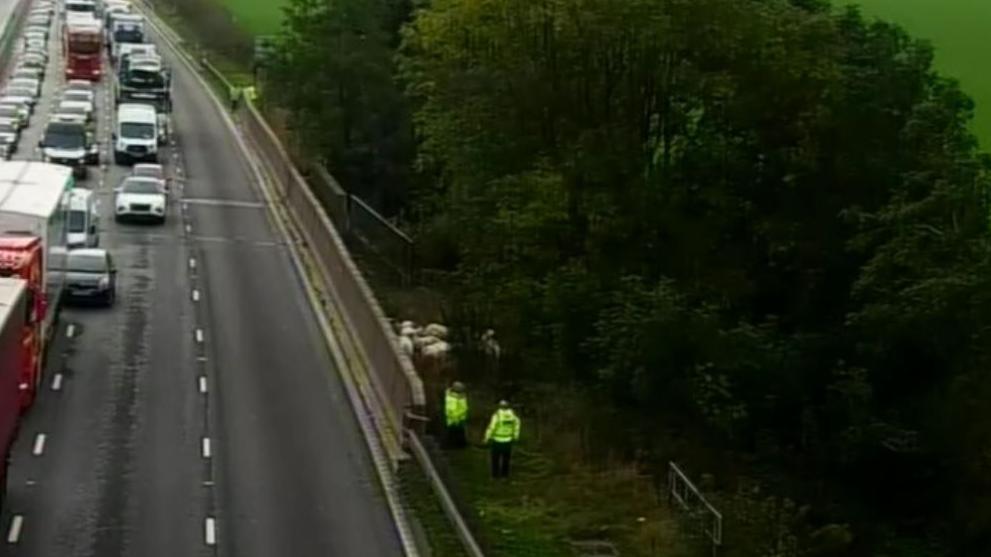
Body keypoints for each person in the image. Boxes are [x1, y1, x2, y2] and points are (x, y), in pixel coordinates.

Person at [484, 400, 521, 478]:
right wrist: (515, 437)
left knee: (495, 459)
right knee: (506, 459)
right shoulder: (513, 415)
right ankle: (505, 475)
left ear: (499, 406)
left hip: (497, 440)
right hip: (508, 441)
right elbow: (517, 426)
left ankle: (495, 475)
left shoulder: (497, 415)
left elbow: (492, 427)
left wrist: (487, 438)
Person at [444, 381, 469, 448]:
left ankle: (460, 446)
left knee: (459, 434)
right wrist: (455, 418)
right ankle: (451, 446)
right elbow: (451, 409)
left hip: (460, 418)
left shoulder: (461, 396)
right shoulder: (451, 397)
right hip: (453, 418)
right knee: (452, 434)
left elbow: (463, 407)